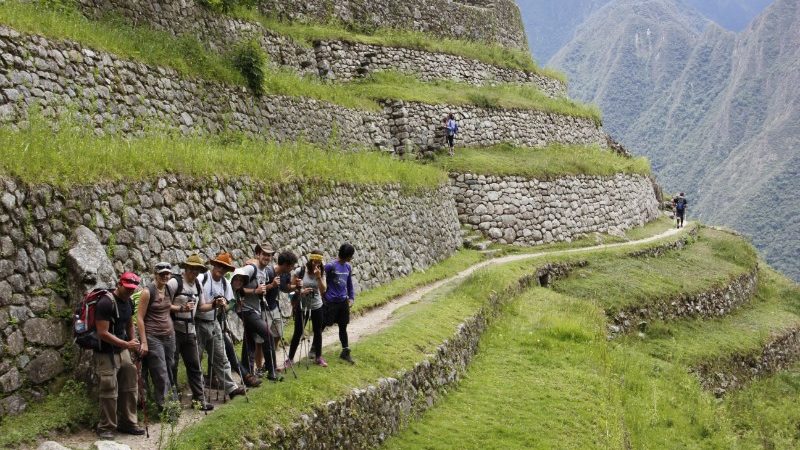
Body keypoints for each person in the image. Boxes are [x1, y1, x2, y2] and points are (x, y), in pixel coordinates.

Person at [94, 272, 145, 439]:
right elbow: (102, 333)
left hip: (123, 349)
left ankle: (128, 422)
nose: (130, 291)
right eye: (127, 288)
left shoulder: (128, 301)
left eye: (133, 289)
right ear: (119, 284)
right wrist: (126, 344)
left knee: (130, 384)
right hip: (105, 351)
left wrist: (133, 341)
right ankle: (106, 427)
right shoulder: (106, 303)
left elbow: (129, 323)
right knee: (109, 388)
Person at [196, 252, 246, 399]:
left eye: (224, 267)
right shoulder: (202, 278)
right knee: (196, 359)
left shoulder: (224, 283)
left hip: (214, 321)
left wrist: (224, 305)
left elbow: (230, 302)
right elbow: (197, 303)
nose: (221, 269)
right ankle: (198, 394)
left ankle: (231, 388)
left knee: (221, 356)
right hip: (198, 322)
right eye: (219, 265)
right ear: (214, 265)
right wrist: (214, 304)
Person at [167, 254, 213, 411]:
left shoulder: (198, 285)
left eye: (197, 270)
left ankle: (199, 400)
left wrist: (215, 304)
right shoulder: (174, 283)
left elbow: (202, 307)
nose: (194, 272)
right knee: (172, 366)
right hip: (173, 330)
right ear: (186, 268)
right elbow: (163, 304)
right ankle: (173, 402)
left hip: (190, 330)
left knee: (195, 365)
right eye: (192, 269)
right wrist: (181, 308)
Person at [236, 243, 283, 381]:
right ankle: (271, 371)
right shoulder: (250, 269)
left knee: (249, 341)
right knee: (267, 334)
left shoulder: (266, 271)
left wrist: (271, 286)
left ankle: (248, 375)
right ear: (258, 254)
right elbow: (237, 287)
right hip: (245, 309)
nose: (267, 257)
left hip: (254, 309)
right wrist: (254, 291)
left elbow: (261, 289)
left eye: (269, 255)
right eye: (264, 254)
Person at [136, 262, 176, 411]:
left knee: (170, 367)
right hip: (153, 337)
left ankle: (172, 401)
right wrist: (144, 342)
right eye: (162, 274)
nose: (165, 276)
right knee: (160, 371)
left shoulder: (169, 289)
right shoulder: (147, 292)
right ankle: (164, 407)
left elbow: (167, 306)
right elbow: (139, 318)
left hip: (169, 335)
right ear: (155, 274)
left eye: (167, 274)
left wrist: (181, 308)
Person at [285, 251, 327, 368]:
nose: (316, 264)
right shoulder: (300, 271)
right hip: (302, 306)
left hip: (316, 306)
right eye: (314, 261)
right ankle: (290, 358)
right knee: (298, 332)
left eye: (319, 262)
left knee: (318, 331)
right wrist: (301, 292)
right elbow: (290, 289)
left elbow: (323, 290)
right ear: (310, 260)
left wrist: (318, 277)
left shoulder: (322, 272)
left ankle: (318, 357)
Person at [324, 243, 356, 364]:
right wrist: (324, 296)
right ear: (346, 255)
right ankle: (315, 348)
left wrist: (351, 297)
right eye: (351, 256)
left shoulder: (348, 267)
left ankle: (345, 352)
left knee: (343, 327)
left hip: (343, 302)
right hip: (331, 302)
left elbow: (349, 284)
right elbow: (322, 280)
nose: (351, 258)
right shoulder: (330, 266)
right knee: (323, 325)